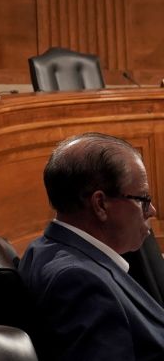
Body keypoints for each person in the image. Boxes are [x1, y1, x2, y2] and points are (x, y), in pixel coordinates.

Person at [20, 133, 164, 360]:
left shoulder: (43, 249)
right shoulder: (79, 282)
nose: (152, 211)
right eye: (142, 199)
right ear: (100, 205)